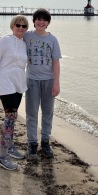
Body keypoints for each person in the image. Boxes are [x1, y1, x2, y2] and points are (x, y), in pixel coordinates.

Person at [0, 15, 29, 171]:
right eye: (18, 25)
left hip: (18, 84)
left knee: (13, 117)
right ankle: (1, 155)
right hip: (5, 84)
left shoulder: (25, 44)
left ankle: (10, 147)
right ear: (12, 26)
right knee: (9, 118)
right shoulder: (4, 41)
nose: (20, 28)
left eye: (24, 26)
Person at [24, 8, 62, 161]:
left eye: (44, 20)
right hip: (32, 80)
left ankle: (45, 142)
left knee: (47, 113)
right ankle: (32, 144)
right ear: (34, 21)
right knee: (31, 114)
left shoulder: (52, 40)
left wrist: (57, 83)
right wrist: (1, 40)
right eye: (38, 19)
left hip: (49, 80)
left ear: (48, 23)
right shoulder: (27, 36)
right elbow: (14, 38)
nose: (41, 22)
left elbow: (56, 62)